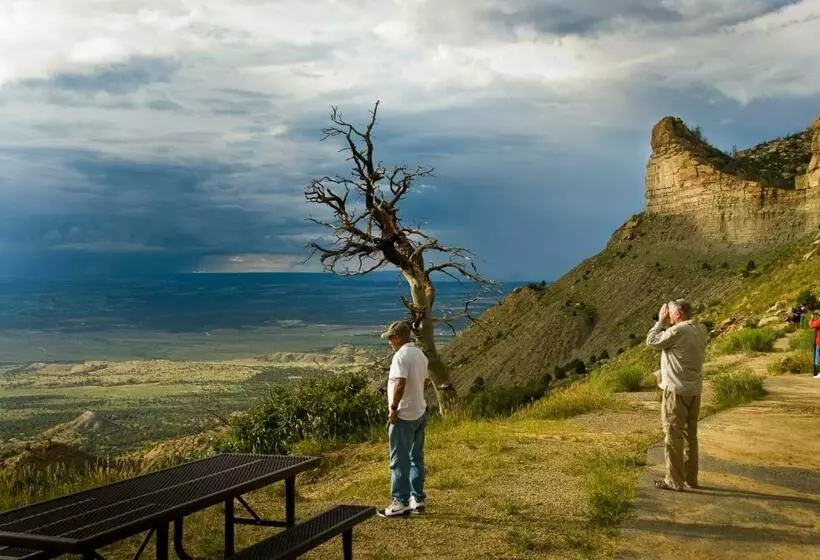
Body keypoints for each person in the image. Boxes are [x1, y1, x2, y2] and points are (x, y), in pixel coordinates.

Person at [646, 299, 709, 491]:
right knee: (691, 436)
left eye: (670, 312)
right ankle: (691, 478)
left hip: (676, 391)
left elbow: (652, 341)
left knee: (673, 435)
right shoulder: (701, 329)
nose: (668, 315)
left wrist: (660, 321)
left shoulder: (678, 330)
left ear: (678, 314)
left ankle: (674, 480)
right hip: (694, 390)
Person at [377, 320, 430, 517]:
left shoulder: (401, 356)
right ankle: (418, 499)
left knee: (398, 459)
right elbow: (421, 383)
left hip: (404, 415)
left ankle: (400, 502)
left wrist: (393, 408)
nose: (389, 342)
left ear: (399, 337)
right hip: (420, 411)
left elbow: (400, 383)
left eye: (390, 338)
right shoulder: (420, 354)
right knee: (416, 457)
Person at [808, 311, 820, 379]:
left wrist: (812, 318)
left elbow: (811, 325)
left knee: (818, 359)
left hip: (819, 342)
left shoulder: (818, 322)